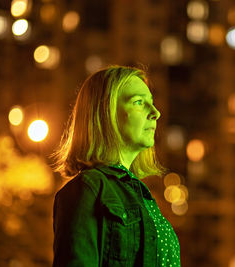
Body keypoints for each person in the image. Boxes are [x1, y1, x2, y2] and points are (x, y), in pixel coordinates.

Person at [51, 65, 181, 266]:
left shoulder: (141, 196)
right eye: (139, 102)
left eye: (152, 103)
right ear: (106, 112)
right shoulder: (88, 189)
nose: (155, 112)